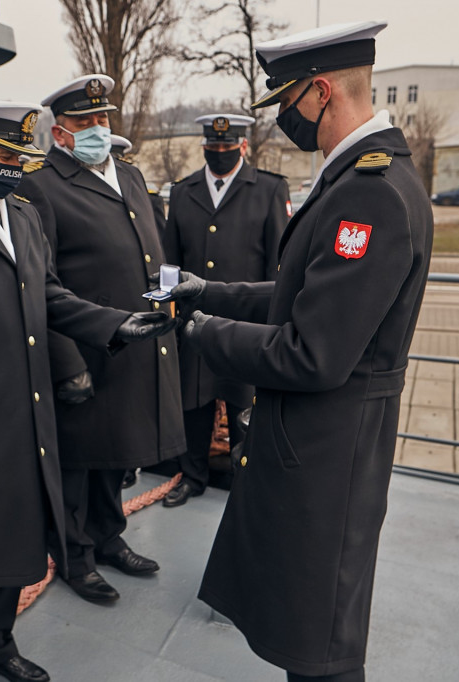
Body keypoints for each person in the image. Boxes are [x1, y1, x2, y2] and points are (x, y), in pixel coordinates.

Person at [172, 21, 433, 682]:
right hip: (320, 450)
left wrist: (201, 335)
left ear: (320, 91)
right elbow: (300, 294)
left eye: (286, 101)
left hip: (327, 459)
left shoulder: (370, 192)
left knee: (321, 656)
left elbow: (312, 352)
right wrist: (211, 293)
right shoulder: (354, 178)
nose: (283, 117)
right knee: (306, 640)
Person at [0, 101, 177, 682]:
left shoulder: (19, 213)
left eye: (23, 157)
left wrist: (114, 324)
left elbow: (50, 295)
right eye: (8, 157)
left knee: (18, 543)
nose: (18, 167)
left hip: (29, 417)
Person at [17, 74, 186, 604]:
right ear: (60, 133)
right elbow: (42, 281)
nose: (97, 128)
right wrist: (68, 362)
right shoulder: (41, 183)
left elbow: (151, 253)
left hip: (135, 343)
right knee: (78, 462)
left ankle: (109, 537)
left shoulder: (130, 176)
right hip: (84, 349)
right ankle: (75, 556)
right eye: (84, 122)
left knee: (118, 455)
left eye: (102, 119)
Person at [161, 113, 290, 507]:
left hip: (245, 325)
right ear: (204, 147)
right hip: (194, 322)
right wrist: (170, 311)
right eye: (213, 147)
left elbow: (278, 266)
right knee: (194, 403)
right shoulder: (184, 191)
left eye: (227, 147)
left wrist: (274, 324)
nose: (220, 153)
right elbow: (171, 258)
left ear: (243, 146)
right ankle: (193, 475)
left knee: (242, 407)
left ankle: (245, 482)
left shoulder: (268, 189)